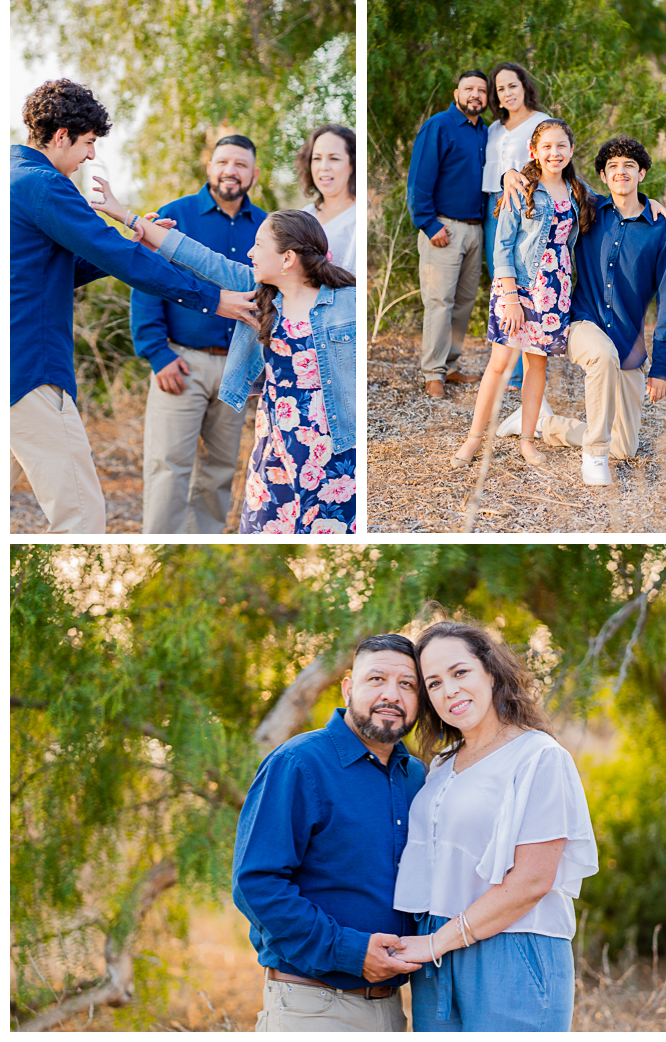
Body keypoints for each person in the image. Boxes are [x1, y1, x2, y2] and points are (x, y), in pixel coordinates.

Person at [10, 79, 256, 534]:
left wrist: (131, 239)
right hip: (31, 372)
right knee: (81, 520)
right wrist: (213, 298)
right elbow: (121, 260)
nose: (89, 156)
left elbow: (62, 268)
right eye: (87, 144)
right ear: (61, 135)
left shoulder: (12, 175)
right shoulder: (45, 185)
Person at [92, 179, 357, 534]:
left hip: (335, 447)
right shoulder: (257, 293)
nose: (250, 252)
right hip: (276, 448)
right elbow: (196, 256)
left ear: (287, 258)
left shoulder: (347, 302)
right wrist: (125, 215)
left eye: (259, 245)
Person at [393, 616, 598, 1032]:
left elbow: (532, 881)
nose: (449, 690)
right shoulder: (440, 766)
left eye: (460, 672)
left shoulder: (539, 757)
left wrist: (436, 942)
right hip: (436, 958)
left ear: (491, 672)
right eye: (433, 683)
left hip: (513, 949)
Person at [233, 634, 426, 1032]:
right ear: (348, 687)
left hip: (392, 1010)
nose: (392, 694)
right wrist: (350, 953)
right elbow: (256, 884)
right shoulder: (299, 763)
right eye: (377, 679)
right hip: (313, 1007)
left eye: (407, 684)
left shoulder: (417, 777)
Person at [498, 137, 666, 486]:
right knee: (601, 356)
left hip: (628, 342)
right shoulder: (588, 210)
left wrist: (662, 368)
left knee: (626, 447)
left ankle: (542, 422)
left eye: (629, 166)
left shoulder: (663, 230)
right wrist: (510, 174)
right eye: (612, 166)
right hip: (583, 322)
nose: (621, 172)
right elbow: (547, 184)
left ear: (642, 173)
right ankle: (594, 455)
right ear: (602, 175)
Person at [130, 134, 267, 534]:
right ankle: (162, 548)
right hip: (181, 361)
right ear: (209, 168)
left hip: (238, 366)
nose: (231, 171)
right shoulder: (175, 216)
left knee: (221, 468)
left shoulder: (267, 227)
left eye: (241, 164)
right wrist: (158, 353)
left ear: (253, 174)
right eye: (223, 162)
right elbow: (145, 282)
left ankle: (203, 546)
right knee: (167, 466)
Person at [451, 119, 592, 470]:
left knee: (536, 367)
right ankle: (473, 439)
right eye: (547, 147)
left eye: (561, 146)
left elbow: (616, 204)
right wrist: (512, 298)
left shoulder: (578, 191)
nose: (554, 153)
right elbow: (503, 245)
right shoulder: (522, 188)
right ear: (535, 151)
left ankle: (527, 441)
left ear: (571, 150)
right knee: (499, 365)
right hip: (518, 287)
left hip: (554, 292)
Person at [407, 71, 526, 399]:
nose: (476, 94)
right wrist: (429, 225)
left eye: (481, 90)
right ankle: (433, 374)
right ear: (456, 92)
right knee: (439, 303)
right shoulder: (440, 126)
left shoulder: (483, 132)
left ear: (488, 98)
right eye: (469, 89)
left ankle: (451, 364)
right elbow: (418, 181)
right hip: (443, 228)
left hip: (476, 228)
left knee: (462, 304)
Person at [483, 62, 550, 391]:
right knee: (500, 275)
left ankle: (524, 368)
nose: (507, 93)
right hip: (494, 202)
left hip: (527, 205)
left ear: (524, 86)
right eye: (501, 89)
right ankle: (505, 358)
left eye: (512, 86)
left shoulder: (542, 122)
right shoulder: (494, 128)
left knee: (525, 276)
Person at [298, 124, 356, 275]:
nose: (323, 167)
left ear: (352, 164)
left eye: (334, 158)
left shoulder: (357, 216)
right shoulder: (304, 215)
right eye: (317, 158)